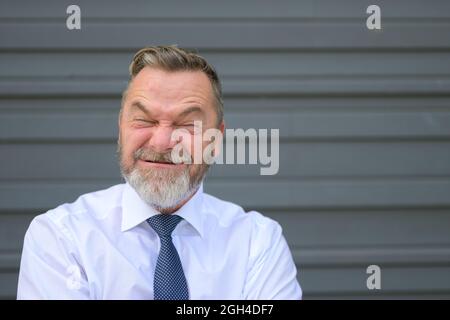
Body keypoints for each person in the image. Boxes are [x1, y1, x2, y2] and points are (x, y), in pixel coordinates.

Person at [17, 46, 302, 300]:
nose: (162, 142)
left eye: (188, 125)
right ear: (121, 128)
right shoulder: (61, 238)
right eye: (143, 120)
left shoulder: (257, 243)